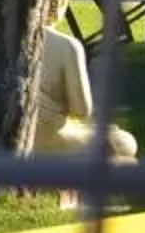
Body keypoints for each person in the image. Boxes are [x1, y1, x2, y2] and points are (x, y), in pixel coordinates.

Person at [33, 22, 138, 206]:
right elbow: (82, 110)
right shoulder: (66, 45)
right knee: (124, 142)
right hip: (50, 140)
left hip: (3, 137)